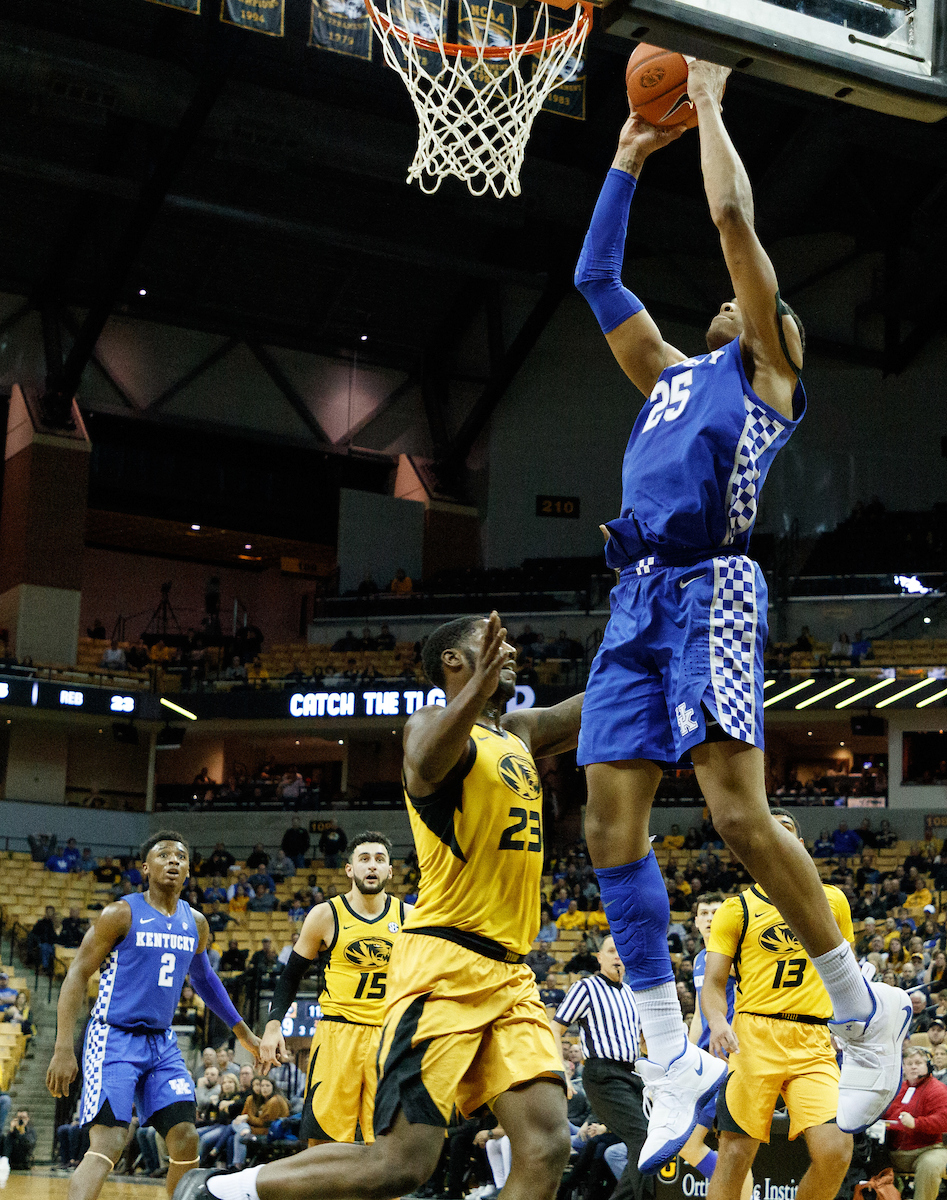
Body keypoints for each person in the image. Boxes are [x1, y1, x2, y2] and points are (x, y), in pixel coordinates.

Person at [572, 61, 908, 1171]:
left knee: (732, 817)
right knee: (606, 828)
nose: (736, 298)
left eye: (762, 302)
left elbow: (726, 216)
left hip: (712, 585)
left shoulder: (761, 376)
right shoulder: (666, 372)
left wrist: (708, 99)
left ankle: (860, 1005)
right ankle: (669, 1059)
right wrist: (624, 153)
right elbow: (593, 274)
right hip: (633, 598)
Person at [178, 611, 584, 1200]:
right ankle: (221, 1191)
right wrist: (476, 689)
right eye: (491, 643)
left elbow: (598, 704)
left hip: (511, 973)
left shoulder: (518, 731)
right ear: (454, 662)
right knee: (401, 1165)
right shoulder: (430, 725)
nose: (511, 650)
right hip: (445, 966)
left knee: (548, 1144)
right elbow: (424, 761)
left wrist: (650, 630)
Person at [46, 831, 262, 1200]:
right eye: (163, 855)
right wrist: (64, 1048)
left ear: (189, 870)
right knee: (110, 1141)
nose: (173, 860)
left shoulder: (196, 922)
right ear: (146, 867)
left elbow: (204, 978)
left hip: (162, 1042)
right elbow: (78, 973)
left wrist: (243, 1032)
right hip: (113, 1037)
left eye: (180, 856)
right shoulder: (120, 913)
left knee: (185, 1138)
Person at [701, 810, 857, 1200]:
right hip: (754, 1037)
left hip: (814, 1037)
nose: (774, 841)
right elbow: (713, 984)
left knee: (836, 1151)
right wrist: (718, 1021)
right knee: (735, 1154)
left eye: (784, 833)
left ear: (800, 847)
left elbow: (849, 975)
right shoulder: (735, 909)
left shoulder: (834, 900)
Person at [258, 831, 409, 1146]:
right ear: (349, 869)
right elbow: (290, 975)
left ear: (390, 871)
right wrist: (273, 1025)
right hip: (338, 1035)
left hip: (388, 1037)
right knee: (323, 1141)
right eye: (364, 859)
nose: (372, 866)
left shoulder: (410, 918)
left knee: (387, 1143)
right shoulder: (325, 915)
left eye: (380, 860)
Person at [552, 935, 649, 1200]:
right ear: (600, 958)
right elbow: (555, 1027)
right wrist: (560, 1066)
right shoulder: (587, 988)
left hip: (633, 1075)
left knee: (651, 1141)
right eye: (611, 951)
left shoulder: (631, 993)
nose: (618, 956)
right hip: (603, 1074)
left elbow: (641, 1040)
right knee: (643, 1138)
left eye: (622, 951)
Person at [683, 891, 751, 1200]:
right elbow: (700, 1013)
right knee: (722, 1148)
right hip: (708, 1061)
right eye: (704, 913)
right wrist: (686, 1054)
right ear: (696, 922)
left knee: (725, 1146)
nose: (710, 918)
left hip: (733, 1059)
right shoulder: (700, 960)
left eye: (716, 912)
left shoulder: (740, 953)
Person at [881, 1047, 947, 1200]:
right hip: (894, 1151)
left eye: (918, 1062)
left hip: (928, 1150)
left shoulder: (937, 1089)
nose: (913, 1066)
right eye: (909, 1063)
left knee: (930, 1164)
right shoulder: (897, 1089)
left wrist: (916, 1123)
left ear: (928, 1066)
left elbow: (944, 1120)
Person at [0, 1106, 36, 1171]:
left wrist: (23, 1131)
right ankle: (4, 1159)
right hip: (12, 1158)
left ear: (28, 1118)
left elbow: (29, 1145)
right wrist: (12, 1130)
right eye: (19, 1118)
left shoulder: (31, 1130)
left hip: (23, 1159)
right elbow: (7, 1143)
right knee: (4, 1136)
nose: (21, 1120)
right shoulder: (14, 1131)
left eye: (23, 1118)